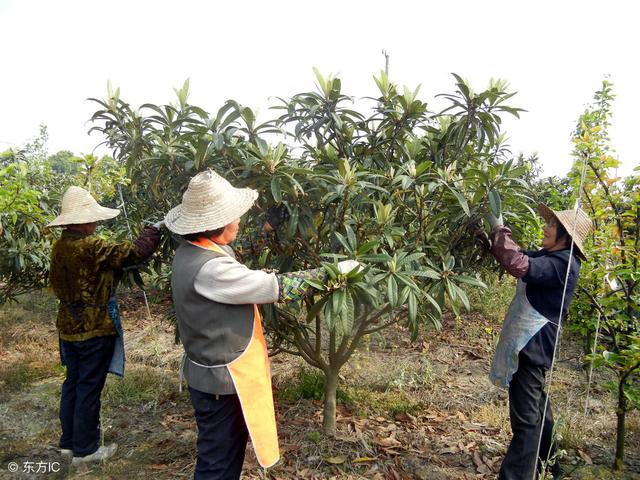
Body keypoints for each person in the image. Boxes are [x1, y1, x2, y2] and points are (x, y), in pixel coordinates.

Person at [164, 170, 358, 479]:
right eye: (234, 216)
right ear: (217, 224)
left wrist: (267, 228)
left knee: (226, 452)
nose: (239, 220)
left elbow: (236, 255)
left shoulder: (194, 250)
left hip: (214, 376)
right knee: (218, 461)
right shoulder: (211, 270)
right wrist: (334, 273)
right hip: (221, 382)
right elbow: (273, 286)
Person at [476, 203, 592, 480]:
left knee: (526, 423)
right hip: (531, 348)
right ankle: (551, 467)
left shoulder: (563, 263)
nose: (546, 227)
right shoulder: (551, 257)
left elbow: (518, 264)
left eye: (552, 225)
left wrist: (498, 228)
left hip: (530, 350)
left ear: (565, 235)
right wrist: (486, 237)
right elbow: (512, 255)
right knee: (540, 413)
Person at [47, 186, 162, 466]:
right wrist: (153, 231)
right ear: (82, 221)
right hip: (95, 327)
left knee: (73, 383)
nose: (96, 223)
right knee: (88, 388)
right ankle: (86, 450)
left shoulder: (60, 246)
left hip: (68, 326)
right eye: (93, 219)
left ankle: (69, 445)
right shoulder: (92, 246)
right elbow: (134, 253)